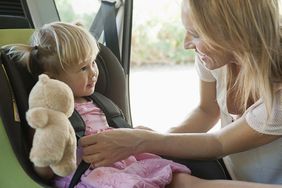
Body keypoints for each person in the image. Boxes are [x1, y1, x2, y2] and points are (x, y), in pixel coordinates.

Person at [79, 0, 282, 187]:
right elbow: (207, 110)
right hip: (230, 172)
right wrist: (155, 144)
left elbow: (219, 143)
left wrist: (142, 140)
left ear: (235, 33)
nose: (186, 43)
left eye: (196, 34)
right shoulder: (215, 57)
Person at [7, 21, 195, 188]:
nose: (93, 72)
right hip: (91, 176)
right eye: (83, 68)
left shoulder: (101, 103)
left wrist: (137, 134)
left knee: (181, 179)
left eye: (93, 63)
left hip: (128, 162)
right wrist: (50, 141)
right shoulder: (50, 114)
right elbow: (44, 173)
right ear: (53, 77)